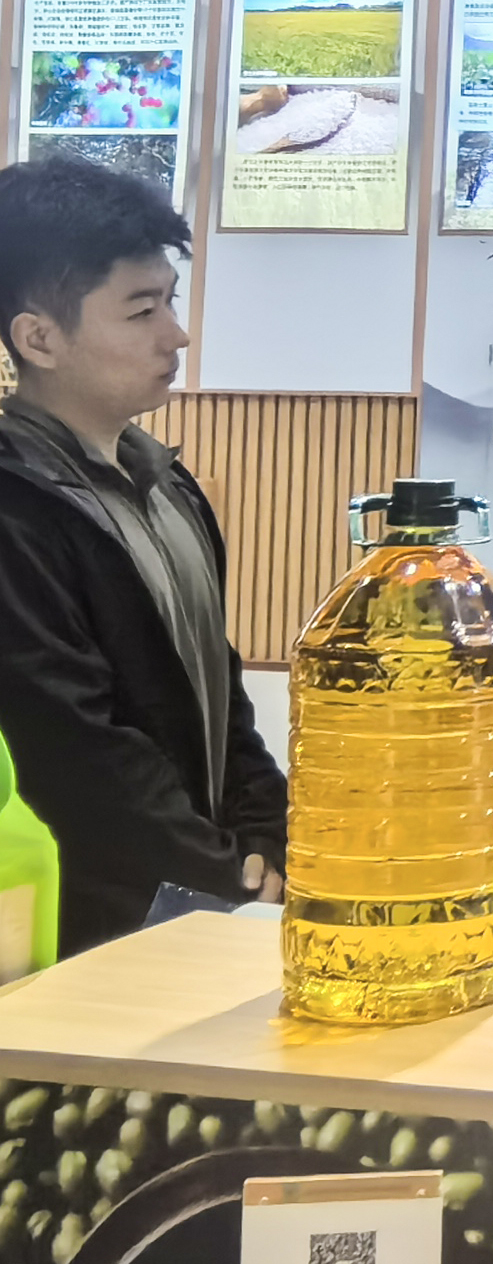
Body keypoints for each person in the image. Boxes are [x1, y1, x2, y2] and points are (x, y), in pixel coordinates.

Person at [0, 158, 286, 953]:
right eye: (141, 310)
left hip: (193, 900)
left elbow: (215, 681)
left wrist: (265, 832)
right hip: (77, 920)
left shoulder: (167, 483)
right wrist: (222, 871)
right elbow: (73, 749)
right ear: (39, 338)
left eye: (171, 300)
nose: (176, 334)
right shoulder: (16, 507)